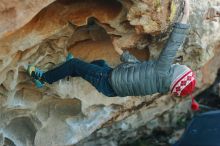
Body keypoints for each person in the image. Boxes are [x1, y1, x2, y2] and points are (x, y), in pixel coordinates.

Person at [27, 0, 197, 109]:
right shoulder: (161, 84)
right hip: (113, 87)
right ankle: (71, 70)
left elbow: (174, 43)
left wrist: (186, 12)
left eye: (183, 68)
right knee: (99, 63)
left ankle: (43, 79)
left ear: (177, 75)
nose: (180, 65)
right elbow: (139, 70)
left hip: (107, 80)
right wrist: (123, 54)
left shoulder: (163, 70)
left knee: (75, 64)